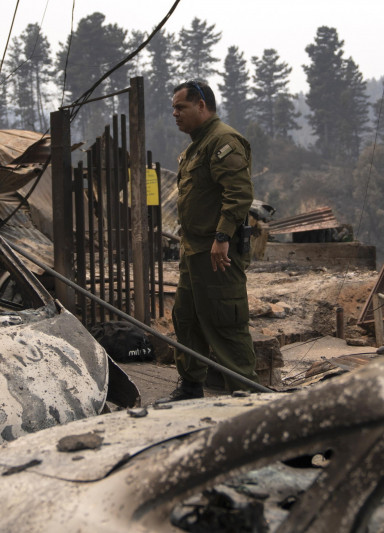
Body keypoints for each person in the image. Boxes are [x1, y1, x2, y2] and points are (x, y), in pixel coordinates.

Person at [164, 79, 257, 401]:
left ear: (201, 105)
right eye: (173, 108)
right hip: (194, 251)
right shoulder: (196, 146)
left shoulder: (222, 141)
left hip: (217, 252)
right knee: (187, 319)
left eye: (181, 107)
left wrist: (222, 237)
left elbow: (239, 193)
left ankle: (247, 398)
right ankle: (190, 388)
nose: (175, 114)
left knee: (225, 322)